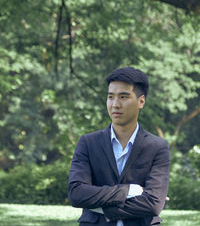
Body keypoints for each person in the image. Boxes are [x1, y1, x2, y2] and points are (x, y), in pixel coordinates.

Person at [68, 67, 170, 226]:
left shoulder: (157, 146)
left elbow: (153, 204)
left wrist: (99, 207)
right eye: (110, 97)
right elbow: (77, 194)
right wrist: (130, 191)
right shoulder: (88, 143)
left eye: (123, 97)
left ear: (141, 101)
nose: (115, 104)